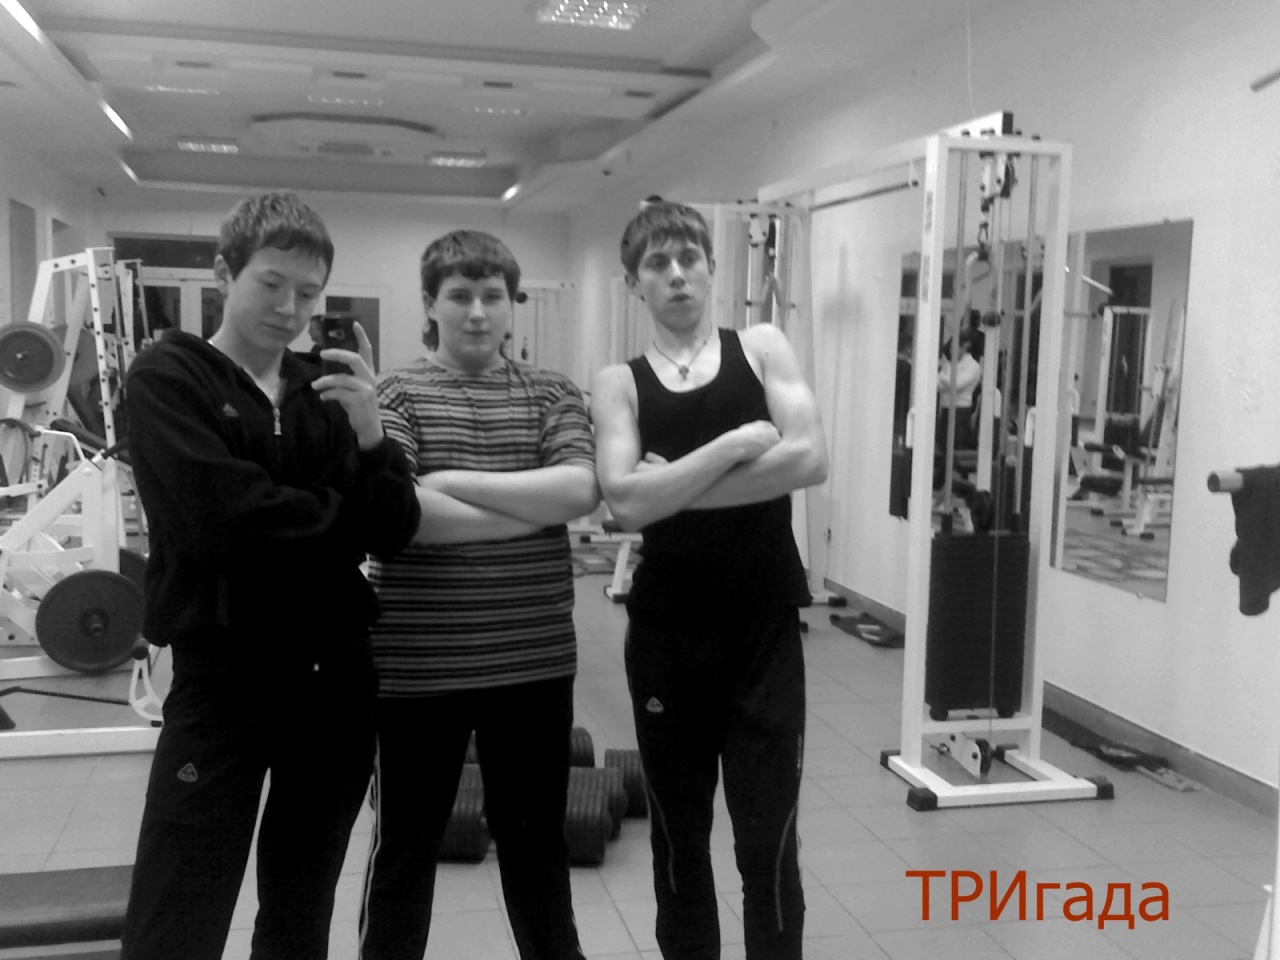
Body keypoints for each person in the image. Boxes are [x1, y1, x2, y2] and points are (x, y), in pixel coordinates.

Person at [119, 192, 421, 960]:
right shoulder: (168, 377)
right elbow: (226, 524)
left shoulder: (328, 393)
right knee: (178, 909)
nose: (290, 309)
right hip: (223, 680)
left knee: (300, 907)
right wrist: (340, 516)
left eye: (309, 293)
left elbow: (394, 527)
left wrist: (372, 434)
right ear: (226, 273)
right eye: (272, 283)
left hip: (335, 683)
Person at [591, 200, 828, 960]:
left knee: (768, 841)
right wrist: (734, 446)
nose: (677, 275)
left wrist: (668, 488)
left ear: (712, 267)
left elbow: (809, 457)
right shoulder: (619, 383)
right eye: (657, 264)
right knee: (679, 838)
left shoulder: (761, 348)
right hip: (668, 635)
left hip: (763, 629)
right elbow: (623, 501)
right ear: (636, 283)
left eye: (689, 258)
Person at [359, 230, 598, 960]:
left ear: (510, 304)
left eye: (492, 296)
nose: (476, 311)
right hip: (416, 671)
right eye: (459, 296)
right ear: (429, 303)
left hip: (532, 665)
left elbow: (578, 489)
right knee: (405, 848)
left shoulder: (552, 392)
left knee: (538, 847)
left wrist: (450, 483)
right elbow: (404, 518)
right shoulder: (394, 393)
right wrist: (528, 508)